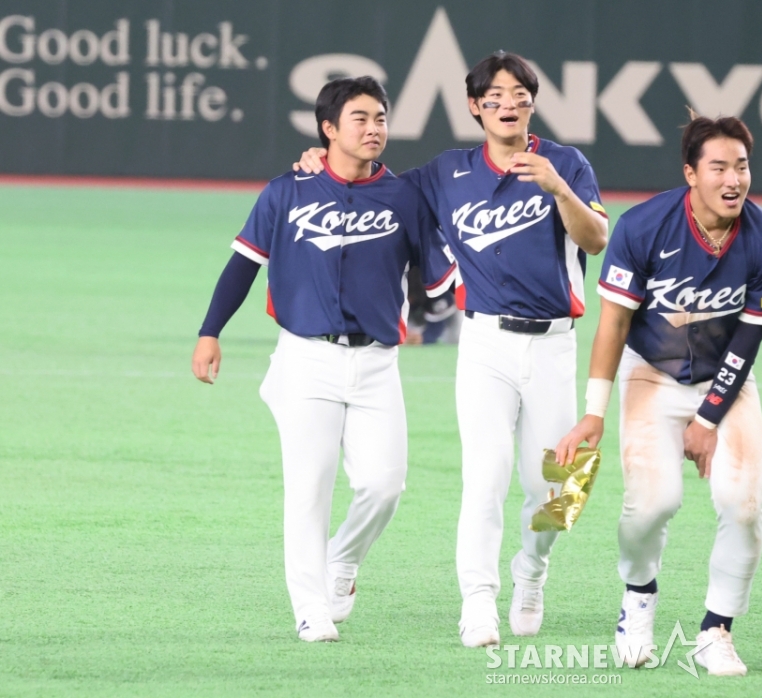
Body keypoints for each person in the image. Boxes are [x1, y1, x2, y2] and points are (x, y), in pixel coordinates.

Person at [296, 51, 609, 647]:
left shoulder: (565, 163)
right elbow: (375, 185)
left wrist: (559, 189)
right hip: (485, 342)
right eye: (495, 97)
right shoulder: (447, 172)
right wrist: (320, 158)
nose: (508, 105)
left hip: (554, 346)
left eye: (520, 96)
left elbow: (596, 238)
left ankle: (532, 569)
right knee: (485, 477)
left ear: (532, 104)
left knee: (564, 490)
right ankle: (478, 602)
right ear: (475, 107)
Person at [191, 76, 456, 642]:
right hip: (306, 359)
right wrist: (210, 331)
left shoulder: (405, 197)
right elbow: (243, 264)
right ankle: (309, 607)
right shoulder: (287, 191)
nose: (374, 128)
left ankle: (342, 560)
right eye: (360, 118)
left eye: (380, 118)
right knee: (309, 488)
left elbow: (441, 282)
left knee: (385, 485)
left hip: (378, 363)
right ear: (328, 129)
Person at [555, 114, 762, 676]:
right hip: (651, 372)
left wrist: (707, 420)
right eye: (719, 167)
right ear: (691, 173)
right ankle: (638, 598)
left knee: (744, 504)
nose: (733, 179)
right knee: (651, 504)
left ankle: (716, 631)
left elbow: (746, 343)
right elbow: (613, 325)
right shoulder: (643, 227)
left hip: (726, 379)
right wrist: (593, 413)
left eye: (742, 166)